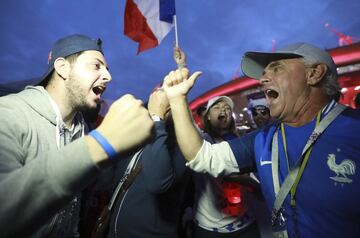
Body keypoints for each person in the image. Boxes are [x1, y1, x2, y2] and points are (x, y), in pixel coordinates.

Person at [162, 43, 360, 237]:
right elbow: (203, 157)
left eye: (276, 68)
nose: (262, 79)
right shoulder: (264, 138)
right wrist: (178, 99)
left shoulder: (354, 129)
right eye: (264, 73)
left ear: (314, 73)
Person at [0, 34, 154, 237]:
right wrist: (100, 144)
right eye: (97, 66)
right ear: (63, 68)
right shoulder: (9, 114)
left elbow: (71, 212)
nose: (108, 76)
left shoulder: (82, 129)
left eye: (107, 69)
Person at [106, 88, 191, 238]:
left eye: (169, 101)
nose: (163, 103)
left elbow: (157, 183)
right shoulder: (135, 141)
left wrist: (158, 119)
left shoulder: (183, 147)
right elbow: (106, 182)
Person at [191, 95, 260, 238]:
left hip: (245, 221)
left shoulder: (238, 141)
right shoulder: (202, 141)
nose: (223, 110)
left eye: (227, 108)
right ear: (208, 116)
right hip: (211, 228)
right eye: (216, 107)